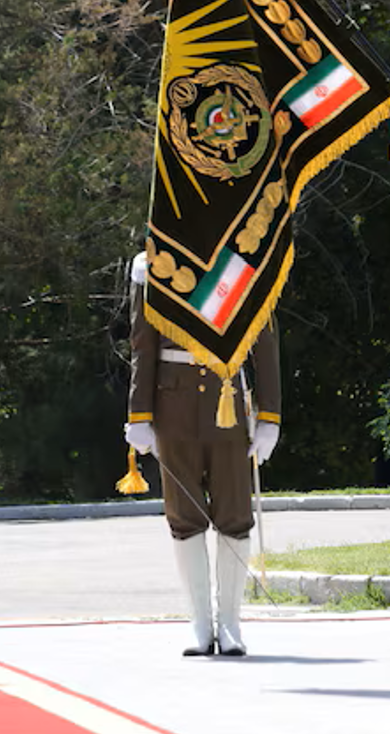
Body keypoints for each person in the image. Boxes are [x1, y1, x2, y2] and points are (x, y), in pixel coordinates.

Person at [125, 247, 281, 658]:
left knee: (233, 512)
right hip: (172, 406)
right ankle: (200, 624)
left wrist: (270, 416)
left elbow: (263, 340)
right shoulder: (155, 264)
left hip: (226, 401)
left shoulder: (239, 261)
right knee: (185, 516)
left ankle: (229, 624)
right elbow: (143, 344)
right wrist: (138, 414)